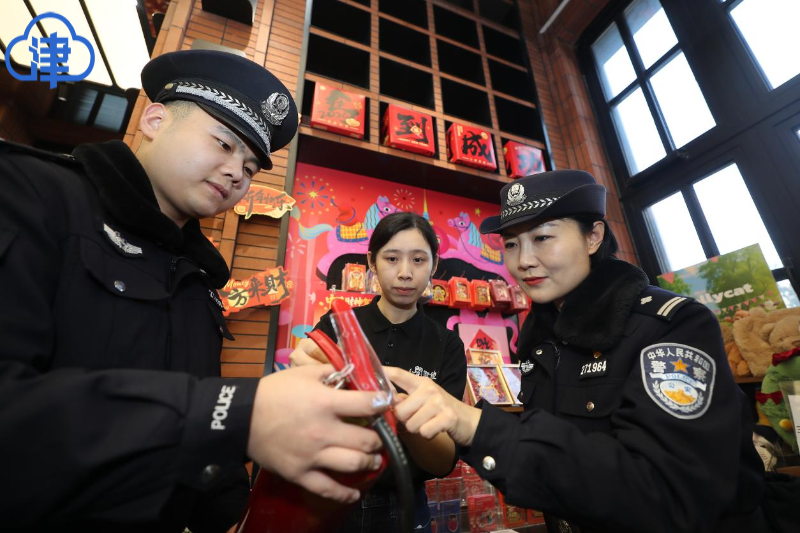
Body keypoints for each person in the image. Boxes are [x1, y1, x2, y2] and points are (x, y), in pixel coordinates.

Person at [0, 50, 389, 532]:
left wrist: (238, 516)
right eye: (223, 144)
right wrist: (233, 414)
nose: (236, 173)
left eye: (250, 168)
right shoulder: (29, 193)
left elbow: (206, 462)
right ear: (155, 120)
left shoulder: (198, 279)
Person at [384, 170, 768, 533]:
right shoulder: (544, 340)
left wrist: (477, 425)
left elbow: (671, 496)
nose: (523, 261)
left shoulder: (671, 326)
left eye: (542, 238)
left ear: (593, 237)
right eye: (512, 244)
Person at [290, 212, 467, 533]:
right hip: (331, 495)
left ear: (434, 265)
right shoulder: (337, 324)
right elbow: (302, 414)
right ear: (372, 262)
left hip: (406, 503)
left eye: (418, 260)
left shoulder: (447, 345)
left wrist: (394, 407)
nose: (405, 273)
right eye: (392, 258)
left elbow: (442, 462)